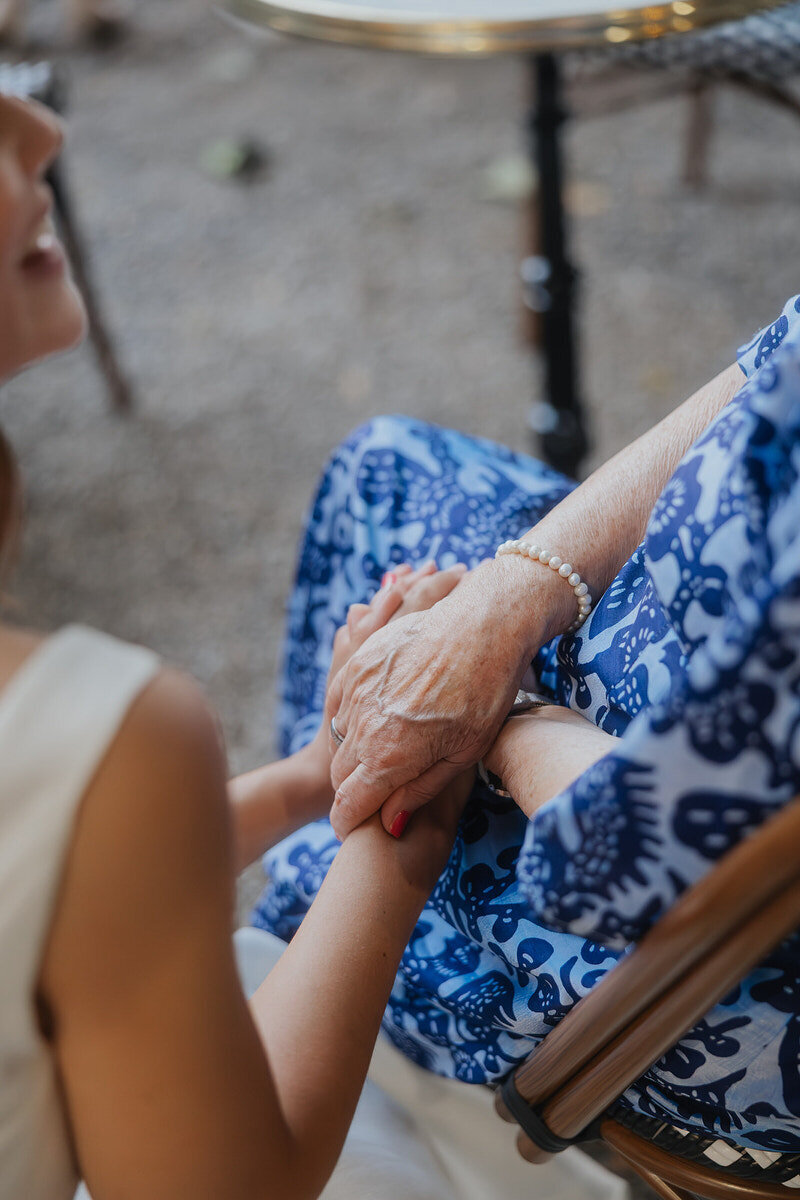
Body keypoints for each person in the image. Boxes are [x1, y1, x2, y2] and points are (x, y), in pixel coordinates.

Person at [0, 92, 479, 1200]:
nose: (39, 126)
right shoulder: (103, 741)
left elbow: (48, 903)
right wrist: (403, 821)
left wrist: (315, 780)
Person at [256, 292, 800, 1179]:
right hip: (642, 663)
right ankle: (333, 821)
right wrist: (505, 604)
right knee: (385, 469)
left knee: (398, 777)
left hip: (699, 957)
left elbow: (638, 855)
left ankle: (330, 921)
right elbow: (765, 369)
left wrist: (493, 710)